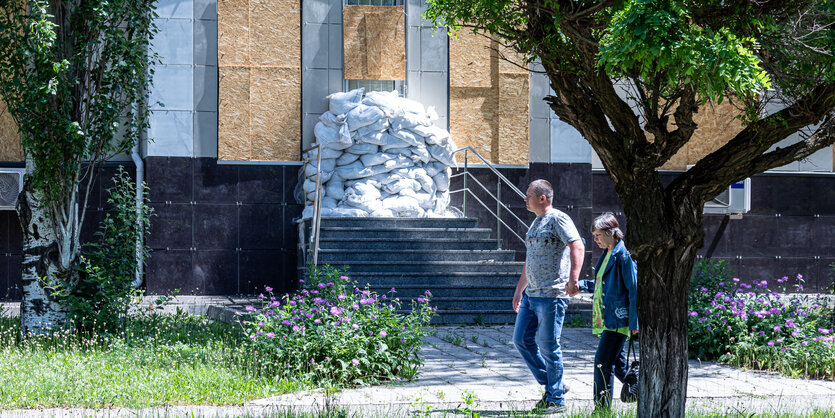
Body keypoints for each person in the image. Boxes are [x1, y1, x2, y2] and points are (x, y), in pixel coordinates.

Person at [512, 179, 585, 414]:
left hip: (552, 295)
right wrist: (519, 289)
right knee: (521, 340)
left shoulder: (558, 219)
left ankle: (555, 399)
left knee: (549, 346)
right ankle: (555, 385)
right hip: (532, 295)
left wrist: (573, 279)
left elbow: (577, 245)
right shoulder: (535, 223)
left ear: (542, 198)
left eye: (529, 195)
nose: (525, 199)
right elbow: (530, 258)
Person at [578, 212, 639, 410]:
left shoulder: (623, 255)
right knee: (618, 365)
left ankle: (601, 410)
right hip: (607, 318)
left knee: (602, 363)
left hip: (618, 319)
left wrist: (634, 323)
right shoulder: (606, 253)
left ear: (611, 233)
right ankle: (642, 387)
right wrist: (580, 286)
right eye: (594, 235)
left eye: (597, 235)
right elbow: (601, 284)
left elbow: (633, 289)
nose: (594, 239)